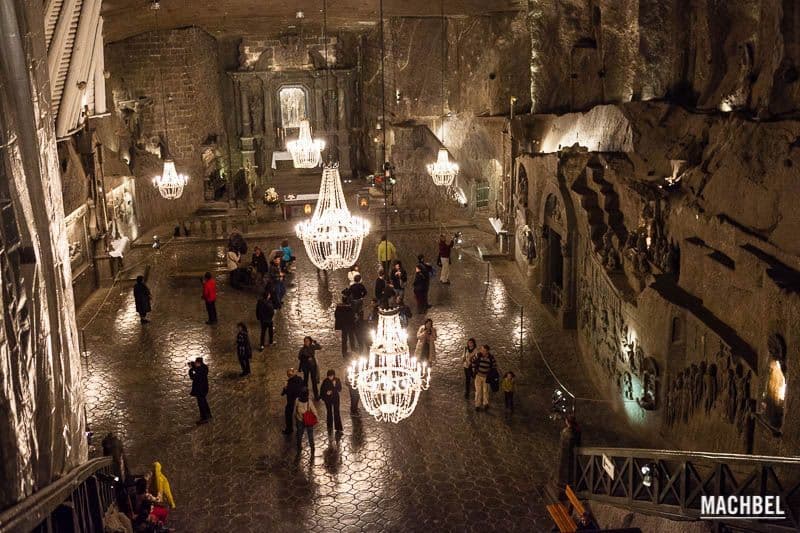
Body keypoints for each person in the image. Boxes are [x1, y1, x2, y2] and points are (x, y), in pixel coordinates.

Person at [472, 345, 497, 411]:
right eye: (481, 350)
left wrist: (491, 374)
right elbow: (473, 361)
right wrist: (474, 369)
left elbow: (494, 367)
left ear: (487, 351)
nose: (482, 351)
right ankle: (477, 405)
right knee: (478, 391)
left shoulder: (491, 358)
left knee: (486, 391)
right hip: (478, 376)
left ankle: (485, 403)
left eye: (484, 350)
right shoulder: (478, 355)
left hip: (486, 377)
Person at [294, 388, 318, 455]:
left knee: (299, 434)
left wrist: (296, 416)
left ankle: (299, 446)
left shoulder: (297, 400)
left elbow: (295, 410)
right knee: (310, 434)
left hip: (300, 420)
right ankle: (312, 447)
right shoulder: (309, 401)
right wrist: (316, 417)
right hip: (308, 421)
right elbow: (313, 409)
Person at [281, 368, 305, 435]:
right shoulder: (299, 379)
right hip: (300, 399)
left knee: (288, 413)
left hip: (291, 400)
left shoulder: (290, 383)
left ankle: (289, 429)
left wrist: (285, 387)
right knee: (300, 414)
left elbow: (288, 392)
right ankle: (301, 427)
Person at [298, 336, 322, 400]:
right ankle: (304, 395)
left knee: (314, 380)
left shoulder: (312, 347)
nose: (306, 342)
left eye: (307, 341)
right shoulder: (302, 349)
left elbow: (319, 347)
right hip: (305, 366)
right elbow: (299, 357)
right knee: (305, 380)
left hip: (312, 366)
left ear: (310, 341)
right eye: (305, 341)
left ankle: (316, 396)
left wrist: (315, 342)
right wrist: (306, 358)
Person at [189, 357, 211, 423]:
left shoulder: (199, 371)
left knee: (201, 403)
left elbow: (193, 377)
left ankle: (204, 418)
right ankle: (208, 414)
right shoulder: (204, 368)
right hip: (204, 388)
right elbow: (200, 370)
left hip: (199, 390)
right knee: (204, 401)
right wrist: (195, 367)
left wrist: (191, 370)